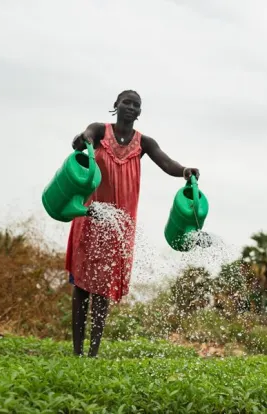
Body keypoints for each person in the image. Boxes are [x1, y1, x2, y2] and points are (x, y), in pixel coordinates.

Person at [65, 90, 199, 357]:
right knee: (82, 287)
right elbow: (83, 140)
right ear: (116, 105)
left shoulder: (144, 143)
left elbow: (166, 162)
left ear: (139, 112)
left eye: (136, 105)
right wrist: (83, 140)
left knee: (102, 289)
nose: (131, 107)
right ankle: (77, 351)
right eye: (126, 102)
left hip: (119, 224)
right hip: (91, 215)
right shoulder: (100, 131)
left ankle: (93, 352)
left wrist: (185, 171)